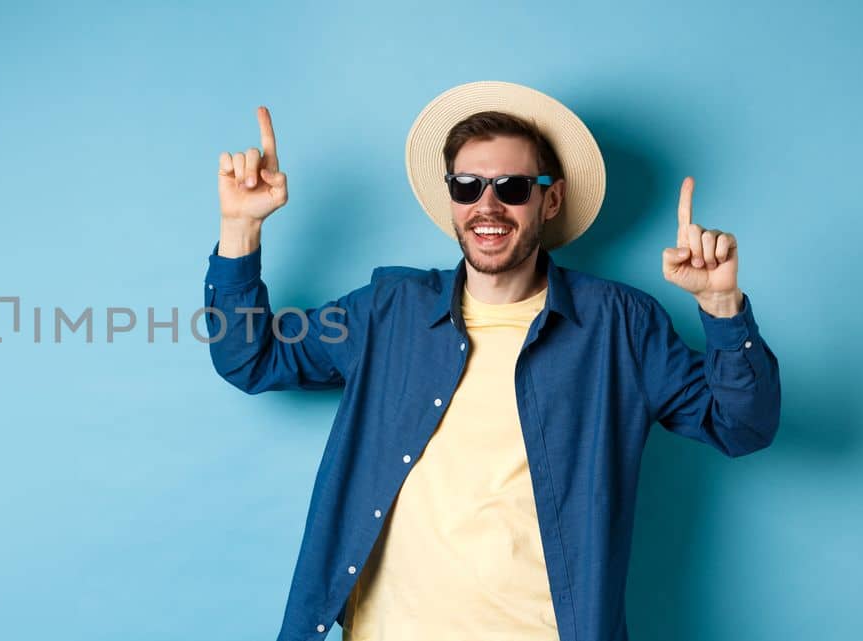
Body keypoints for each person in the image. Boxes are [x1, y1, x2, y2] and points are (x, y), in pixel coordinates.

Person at [203, 81, 781, 641]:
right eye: (468, 186)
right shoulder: (389, 311)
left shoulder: (619, 325)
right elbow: (249, 358)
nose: (488, 205)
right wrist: (241, 226)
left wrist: (722, 306)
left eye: (512, 186)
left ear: (550, 198)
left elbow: (742, 425)